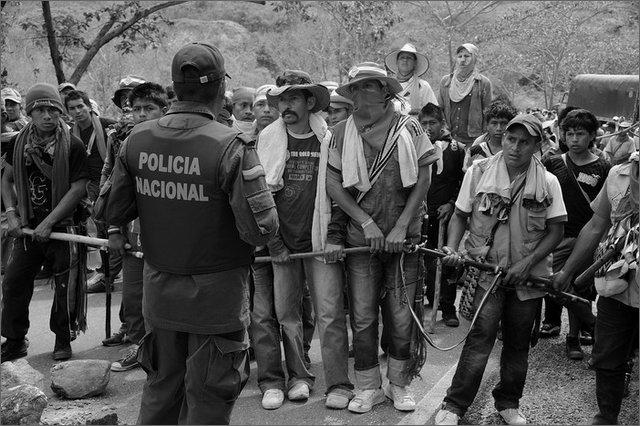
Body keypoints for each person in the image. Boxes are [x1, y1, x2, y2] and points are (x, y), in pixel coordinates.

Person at [104, 42, 278, 424]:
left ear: (174, 89)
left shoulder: (137, 139)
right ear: (219, 89)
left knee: (161, 388)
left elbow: (110, 210)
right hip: (216, 300)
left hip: (160, 293)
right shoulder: (231, 145)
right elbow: (259, 229)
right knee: (209, 396)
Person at [434, 114, 567, 425]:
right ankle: (453, 406)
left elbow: (556, 231)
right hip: (486, 273)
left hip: (529, 278)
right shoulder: (479, 171)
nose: (515, 147)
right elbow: (460, 215)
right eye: (511, 139)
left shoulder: (548, 182)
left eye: (524, 142)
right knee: (479, 340)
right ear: (503, 139)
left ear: (537, 145)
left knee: (519, 343)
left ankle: (508, 403)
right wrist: (452, 249)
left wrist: (526, 264)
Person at [325, 62, 439, 414]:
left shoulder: (410, 127)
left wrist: (403, 225)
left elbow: (424, 177)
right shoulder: (342, 131)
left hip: (405, 239)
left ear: (385, 91)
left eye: (367, 87)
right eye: (355, 88)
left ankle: (399, 383)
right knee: (361, 316)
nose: (359, 93)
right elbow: (333, 183)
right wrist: (366, 222)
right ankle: (367, 386)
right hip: (361, 238)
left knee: (402, 314)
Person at [254, 69, 355, 411]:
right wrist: (275, 243)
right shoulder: (266, 139)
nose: (286, 105)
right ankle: (298, 377)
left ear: (310, 101)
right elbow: (260, 197)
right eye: (282, 98)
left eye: (293, 98)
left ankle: (339, 384)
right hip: (282, 242)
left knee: (329, 314)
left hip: (320, 238)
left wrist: (335, 236)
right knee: (287, 314)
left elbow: (342, 191)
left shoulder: (329, 139)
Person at [1, 83, 90, 362]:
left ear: (60, 112)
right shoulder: (18, 142)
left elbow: (78, 189)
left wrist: (50, 222)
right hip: (27, 226)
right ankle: (15, 340)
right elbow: (6, 180)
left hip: (65, 226)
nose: (47, 116)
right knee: (14, 281)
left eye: (52, 110)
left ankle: (63, 339)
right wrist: (13, 214)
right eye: (40, 110)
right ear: (30, 112)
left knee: (66, 285)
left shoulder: (73, 145)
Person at [552, 150, 638, 425]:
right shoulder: (618, 174)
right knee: (607, 353)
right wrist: (568, 270)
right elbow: (596, 225)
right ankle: (606, 417)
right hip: (617, 284)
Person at [107, 82, 169, 372]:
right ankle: (139, 347)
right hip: (133, 232)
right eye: (137, 110)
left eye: (149, 109)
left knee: (165, 297)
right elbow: (114, 189)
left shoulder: (177, 141)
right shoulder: (124, 143)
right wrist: (114, 229)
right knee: (133, 295)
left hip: (166, 233)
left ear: (164, 110)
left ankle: (167, 355)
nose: (142, 115)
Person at [540, 109, 610, 360]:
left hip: (588, 238)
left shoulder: (603, 167)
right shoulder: (552, 162)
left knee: (580, 288)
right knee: (552, 283)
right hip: (556, 235)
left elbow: (606, 209)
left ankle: (573, 339)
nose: (574, 139)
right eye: (569, 133)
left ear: (592, 135)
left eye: (580, 134)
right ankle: (593, 323)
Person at [64, 89, 119, 294]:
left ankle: (107, 275)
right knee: (94, 232)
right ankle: (103, 273)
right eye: (72, 108)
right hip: (84, 187)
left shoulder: (108, 126)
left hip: (108, 183)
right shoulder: (69, 134)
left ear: (88, 106)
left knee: (108, 230)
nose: (77, 111)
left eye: (80, 106)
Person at [418, 102, 465, 326]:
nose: (428, 127)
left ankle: (447, 308)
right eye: (424, 122)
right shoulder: (413, 145)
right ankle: (424, 302)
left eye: (433, 122)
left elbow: (461, 182)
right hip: (420, 216)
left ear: (442, 124)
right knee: (422, 262)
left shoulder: (456, 149)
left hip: (444, 215)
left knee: (446, 260)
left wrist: (451, 203)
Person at [437, 43, 493, 147]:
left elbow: (488, 113)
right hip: (450, 138)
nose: (463, 60)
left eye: (467, 56)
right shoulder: (446, 82)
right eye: (460, 56)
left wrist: (484, 139)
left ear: (474, 58)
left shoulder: (483, 83)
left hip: (473, 140)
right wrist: (444, 131)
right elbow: (440, 109)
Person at [463, 99, 517, 172]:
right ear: (487, 126)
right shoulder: (475, 150)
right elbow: (467, 174)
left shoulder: (515, 151)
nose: (499, 128)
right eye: (494, 123)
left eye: (503, 123)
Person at [384, 43, 437, 116]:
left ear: (415, 63)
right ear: (397, 62)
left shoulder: (423, 86)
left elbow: (434, 112)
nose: (405, 60)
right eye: (402, 57)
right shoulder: (388, 85)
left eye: (409, 58)